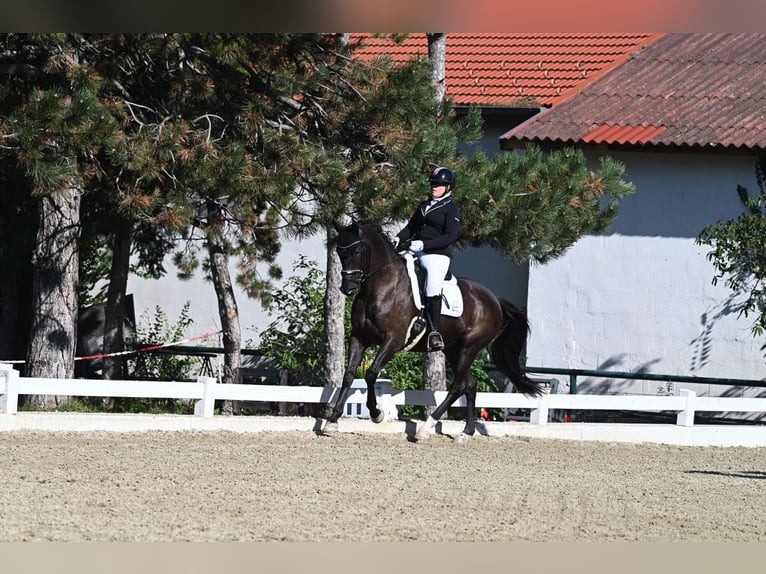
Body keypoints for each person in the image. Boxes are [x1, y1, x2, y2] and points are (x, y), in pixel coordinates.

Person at [396, 166, 461, 351]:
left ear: (448, 187)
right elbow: (411, 227)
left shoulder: (450, 208)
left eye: (439, 184)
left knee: (432, 285)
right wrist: (398, 238)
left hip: (437, 254)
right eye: (433, 183)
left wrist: (425, 245)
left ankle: (434, 332)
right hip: (416, 250)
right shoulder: (424, 206)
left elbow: (450, 236)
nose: (435, 187)